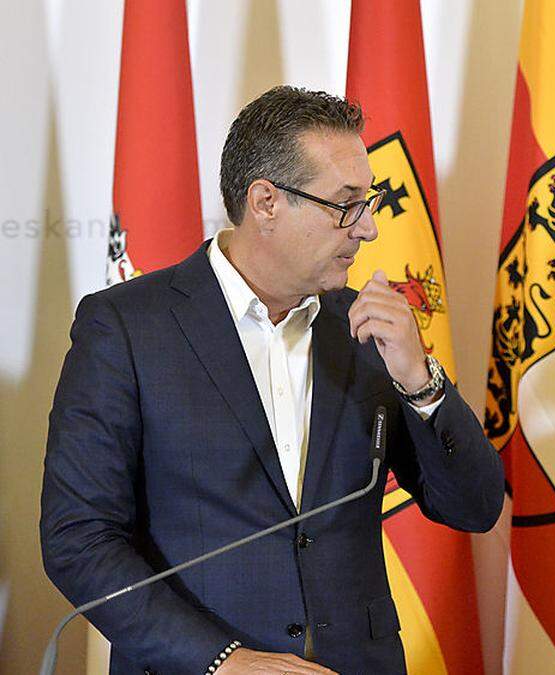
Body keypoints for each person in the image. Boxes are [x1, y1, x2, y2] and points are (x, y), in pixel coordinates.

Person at [40, 86, 505, 674]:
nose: (368, 230)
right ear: (265, 202)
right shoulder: (127, 329)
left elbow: (474, 507)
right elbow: (79, 539)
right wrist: (223, 661)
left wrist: (422, 383)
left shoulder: (368, 330)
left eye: (370, 201)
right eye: (347, 204)